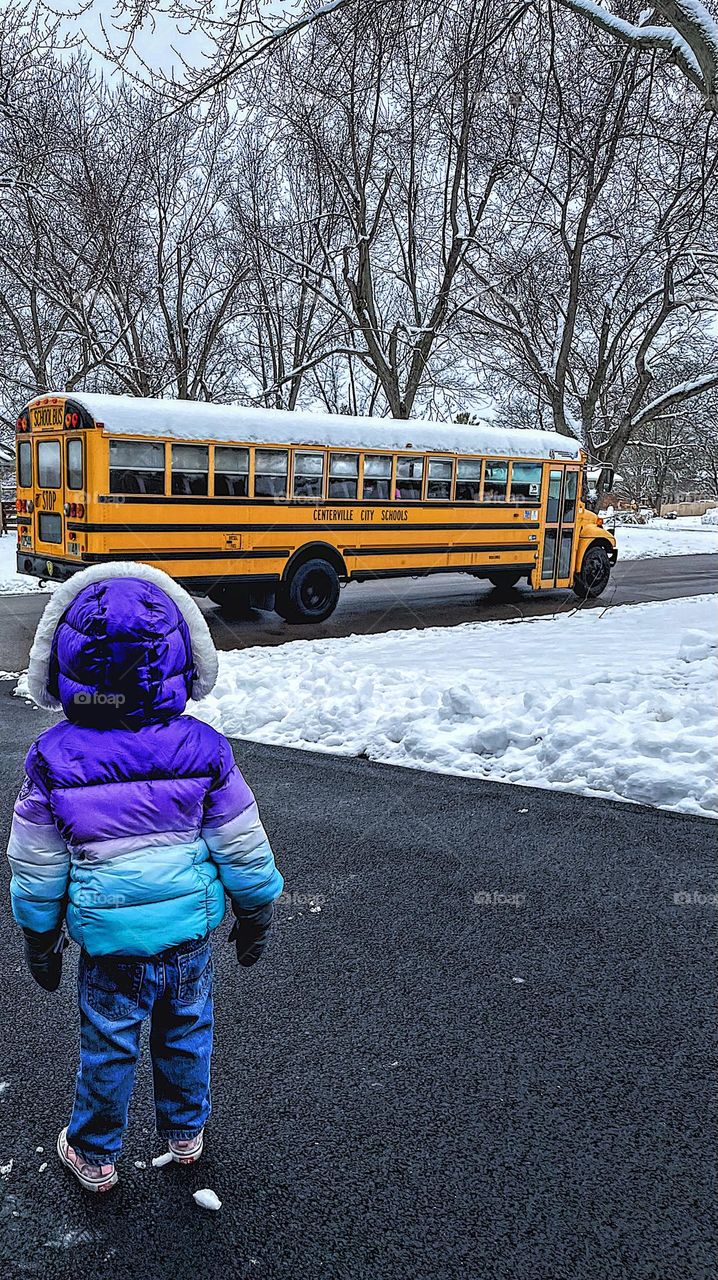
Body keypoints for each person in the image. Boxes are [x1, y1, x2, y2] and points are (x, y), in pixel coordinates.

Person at [6, 562, 283, 1193]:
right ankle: (185, 1133)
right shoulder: (203, 747)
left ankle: (96, 1154)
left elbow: (37, 863)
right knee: (186, 1034)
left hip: (111, 948)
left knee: (109, 1045)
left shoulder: (53, 758)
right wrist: (256, 912)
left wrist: (39, 938)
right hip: (187, 939)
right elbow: (240, 841)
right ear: (183, 658)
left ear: (64, 662)